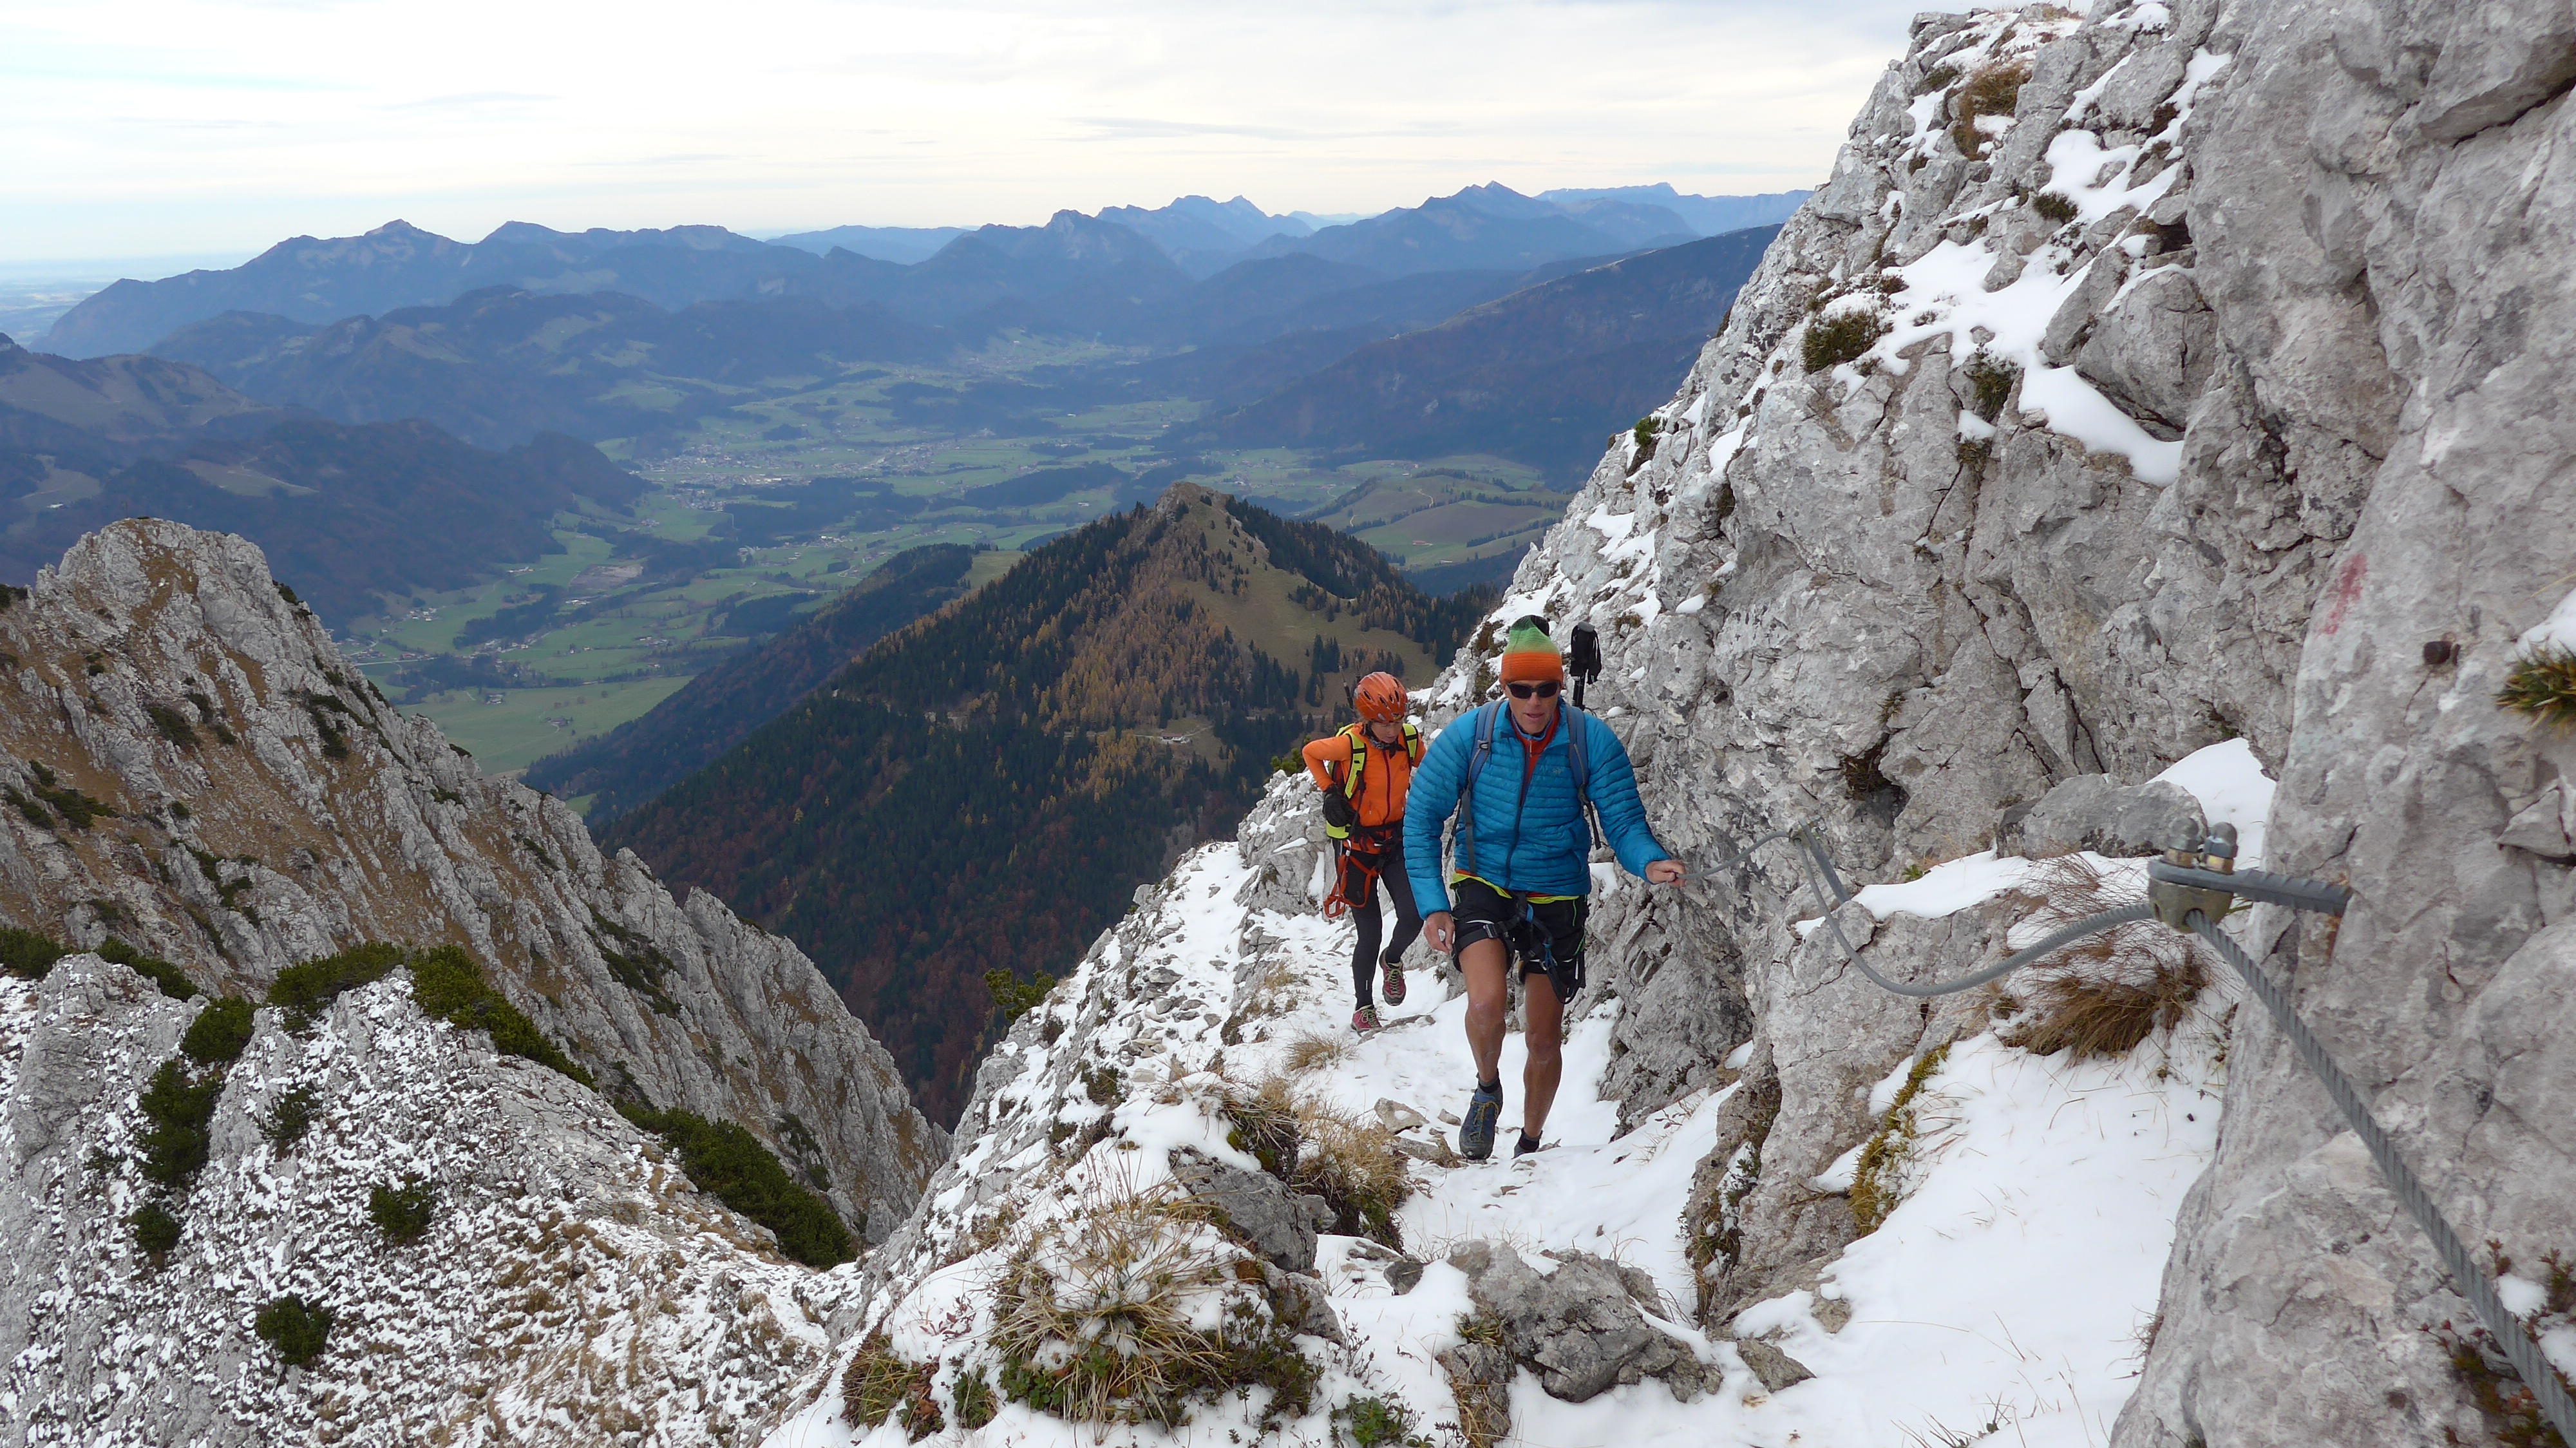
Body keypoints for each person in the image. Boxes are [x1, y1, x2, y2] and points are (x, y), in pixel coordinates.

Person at [1405, 617, 1685, 1160]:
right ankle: (1488, 1088)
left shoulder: (1589, 741)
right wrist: (1434, 906)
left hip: (1557, 893)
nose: (1534, 701)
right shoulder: (1470, 736)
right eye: (1521, 689)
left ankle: (1529, 1145)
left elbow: (1623, 821)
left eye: (1547, 688)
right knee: (1485, 1003)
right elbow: (1420, 820)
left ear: (1560, 684)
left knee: (1543, 1038)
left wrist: (1649, 863)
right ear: (1504, 687)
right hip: (1484, 881)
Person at [1302, 672, 1423, 1033]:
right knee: (1370, 933)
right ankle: (1363, 1007)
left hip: (1394, 841)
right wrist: (1328, 790)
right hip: (1356, 848)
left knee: (1414, 915)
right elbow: (1311, 752)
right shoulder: (1350, 746)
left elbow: (1431, 767)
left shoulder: (1409, 740)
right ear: (1367, 719)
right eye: (1385, 723)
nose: (1392, 729)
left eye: (1398, 721)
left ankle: (1393, 960)